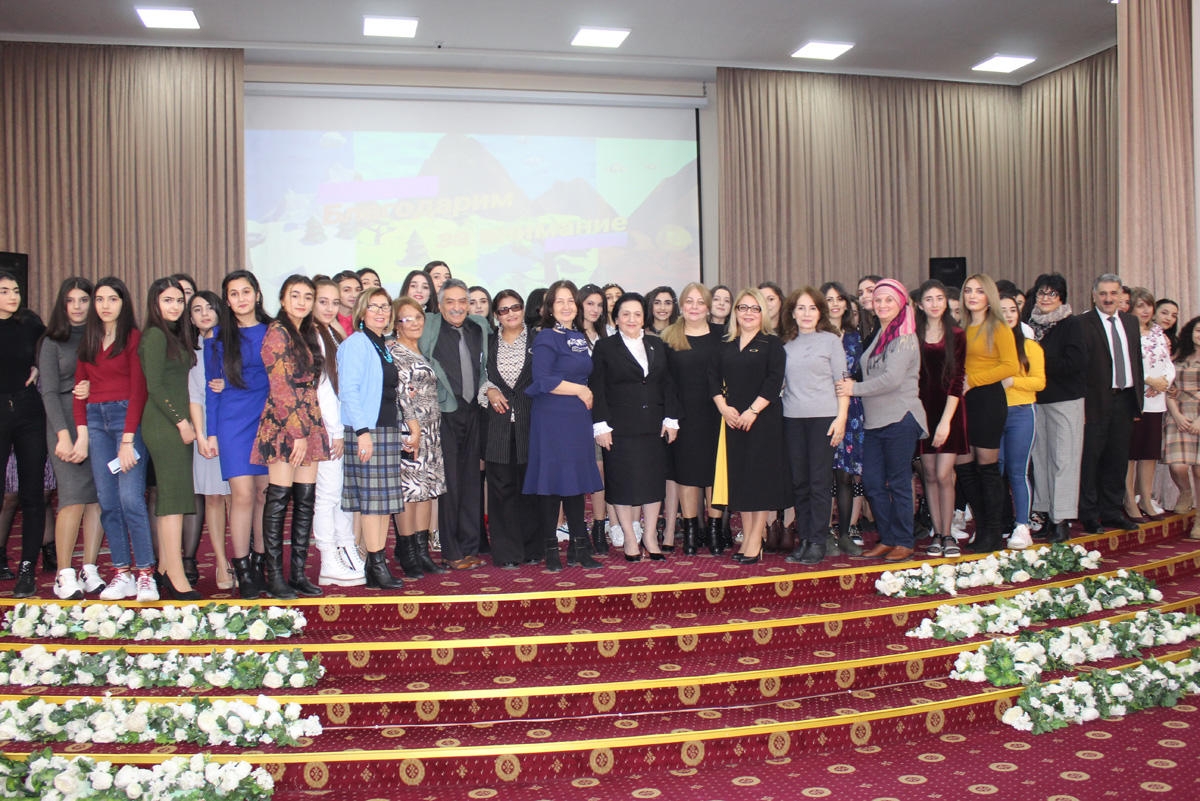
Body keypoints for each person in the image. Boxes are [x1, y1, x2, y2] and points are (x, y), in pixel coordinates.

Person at [74, 276, 157, 601]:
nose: (105, 305)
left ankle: (145, 573)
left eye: (113, 299)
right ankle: (122, 572)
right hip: (96, 422)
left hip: (127, 422)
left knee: (130, 499)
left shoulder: (133, 338)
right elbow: (79, 391)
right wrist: (82, 434)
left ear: (124, 303)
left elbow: (139, 391)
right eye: (100, 299)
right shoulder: (89, 338)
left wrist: (128, 440)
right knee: (107, 502)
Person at [836, 278, 927, 562]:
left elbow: (891, 379)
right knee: (873, 483)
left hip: (900, 418)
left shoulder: (904, 336)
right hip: (874, 422)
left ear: (901, 303)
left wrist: (854, 389)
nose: (883, 304)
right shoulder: (879, 333)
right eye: (878, 300)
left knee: (899, 482)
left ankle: (904, 541)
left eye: (889, 300)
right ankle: (888, 538)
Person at [251, 275, 330, 599]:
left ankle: (297, 574)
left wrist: (308, 430)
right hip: (285, 425)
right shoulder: (277, 332)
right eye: (294, 295)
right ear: (282, 300)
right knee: (279, 500)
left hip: (309, 422)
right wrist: (297, 434)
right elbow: (280, 387)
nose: (301, 301)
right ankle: (275, 577)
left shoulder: (307, 332)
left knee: (306, 500)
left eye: (307, 296)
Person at [524, 279, 603, 571]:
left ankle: (579, 549)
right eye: (560, 301)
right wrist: (580, 391)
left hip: (577, 418)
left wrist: (584, 393)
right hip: (553, 417)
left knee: (576, 483)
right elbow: (543, 380)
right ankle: (552, 550)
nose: (567, 306)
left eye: (571, 300)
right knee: (552, 483)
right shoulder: (545, 337)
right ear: (549, 308)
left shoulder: (580, 337)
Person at [592, 292, 678, 561]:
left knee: (653, 484)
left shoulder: (657, 345)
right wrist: (601, 425)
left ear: (644, 318)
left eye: (637, 314)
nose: (632, 319)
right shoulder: (605, 347)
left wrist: (671, 419)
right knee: (622, 484)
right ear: (616, 318)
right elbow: (598, 388)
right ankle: (630, 538)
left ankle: (650, 535)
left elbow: (668, 384)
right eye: (625, 314)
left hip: (654, 426)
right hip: (619, 428)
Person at [709, 288, 790, 564]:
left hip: (763, 420)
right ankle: (746, 535)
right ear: (735, 313)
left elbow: (774, 380)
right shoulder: (726, 344)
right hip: (732, 420)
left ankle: (756, 541)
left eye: (754, 308)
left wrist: (753, 411)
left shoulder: (772, 344)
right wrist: (723, 407)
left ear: (762, 314)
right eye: (743, 308)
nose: (748, 313)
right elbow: (711, 377)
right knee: (741, 483)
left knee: (760, 482)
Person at [205, 270, 271, 599]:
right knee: (242, 494)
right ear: (227, 300)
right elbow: (212, 388)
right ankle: (242, 567)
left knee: (263, 494)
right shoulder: (217, 338)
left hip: (269, 419)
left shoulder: (276, 331)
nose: (241, 298)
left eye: (246, 291)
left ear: (257, 295)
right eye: (234, 293)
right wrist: (212, 432)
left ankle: (261, 563)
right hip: (233, 420)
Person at [339, 287, 410, 589]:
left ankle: (375, 562)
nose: (381, 312)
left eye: (385, 307)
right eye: (374, 307)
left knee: (382, 504)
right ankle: (376, 566)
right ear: (362, 312)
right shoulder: (357, 343)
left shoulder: (382, 344)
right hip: (368, 431)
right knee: (371, 503)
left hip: (386, 430)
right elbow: (350, 391)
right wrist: (362, 432)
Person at [38, 278, 105, 600]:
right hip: (64, 426)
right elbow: (48, 392)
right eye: (71, 300)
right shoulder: (52, 341)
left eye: (84, 299)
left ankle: (88, 568)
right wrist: (63, 437)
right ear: (62, 305)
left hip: (100, 424)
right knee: (73, 498)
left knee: (98, 499)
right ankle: (64, 572)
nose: (78, 306)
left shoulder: (100, 337)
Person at [418, 279, 491, 570]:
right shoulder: (430, 327)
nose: (458, 307)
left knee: (472, 481)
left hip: (474, 411)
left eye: (463, 301)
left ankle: (470, 546)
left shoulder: (478, 328)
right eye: (450, 301)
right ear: (439, 304)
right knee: (450, 483)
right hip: (445, 412)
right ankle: (452, 550)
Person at [139, 277, 201, 599]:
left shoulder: (175, 335)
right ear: (155, 303)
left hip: (177, 423)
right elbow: (155, 387)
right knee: (174, 499)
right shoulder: (154, 335)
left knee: (172, 498)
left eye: (179, 300)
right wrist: (181, 423)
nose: (175, 306)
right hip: (165, 425)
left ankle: (166, 567)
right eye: (168, 300)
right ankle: (175, 574)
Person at [779, 288, 848, 565]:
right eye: (800, 308)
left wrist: (841, 418)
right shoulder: (785, 345)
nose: (806, 314)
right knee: (800, 483)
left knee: (819, 482)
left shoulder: (831, 341)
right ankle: (805, 539)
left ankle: (819, 540)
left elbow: (842, 382)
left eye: (812, 308)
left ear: (820, 312)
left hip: (824, 419)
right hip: (792, 419)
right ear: (792, 313)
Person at [956, 274, 1018, 553]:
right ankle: (981, 526)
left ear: (988, 295)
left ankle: (994, 531)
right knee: (965, 468)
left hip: (988, 400)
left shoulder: (998, 327)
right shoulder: (961, 326)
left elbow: (1010, 366)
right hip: (963, 401)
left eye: (979, 291)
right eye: (968, 290)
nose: (972, 295)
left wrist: (974, 381)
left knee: (988, 469)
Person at [662, 282, 725, 555]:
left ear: (708, 307)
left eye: (700, 302)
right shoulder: (669, 337)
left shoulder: (723, 336)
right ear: (682, 305)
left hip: (717, 414)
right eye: (690, 301)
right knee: (687, 476)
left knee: (714, 475)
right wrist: (670, 418)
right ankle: (689, 533)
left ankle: (713, 532)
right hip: (683, 418)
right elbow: (666, 383)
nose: (695, 307)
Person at [1078, 273, 1145, 533]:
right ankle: (1090, 515)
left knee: (1118, 460)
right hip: (1094, 403)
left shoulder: (1130, 322)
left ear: (1121, 296)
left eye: (1113, 293)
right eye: (1103, 294)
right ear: (1094, 295)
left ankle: (1112, 511)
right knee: (1091, 460)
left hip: (1125, 400)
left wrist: (1137, 401)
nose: (1108, 298)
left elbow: (1135, 362)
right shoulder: (1082, 324)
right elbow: (1081, 369)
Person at [309, 278, 364, 586]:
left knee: (340, 495)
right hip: (327, 430)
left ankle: (346, 549)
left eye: (333, 302)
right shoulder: (313, 336)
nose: (329, 308)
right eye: (322, 302)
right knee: (327, 495)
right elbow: (323, 390)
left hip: (338, 427)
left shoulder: (331, 332)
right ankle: (328, 558)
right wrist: (336, 432)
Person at [480, 289, 539, 568]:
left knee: (530, 489)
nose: (510, 313)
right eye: (503, 310)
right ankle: (505, 552)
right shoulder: (488, 342)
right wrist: (488, 389)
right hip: (498, 425)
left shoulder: (539, 340)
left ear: (523, 308)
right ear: (496, 316)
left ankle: (531, 548)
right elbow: (479, 377)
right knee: (501, 489)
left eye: (515, 307)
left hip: (533, 424)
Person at [389, 296, 447, 579]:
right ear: (396, 324)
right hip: (409, 431)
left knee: (427, 492)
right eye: (406, 318)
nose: (414, 323)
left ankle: (422, 551)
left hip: (431, 430)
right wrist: (412, 430)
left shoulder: (421, 351)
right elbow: (402, 393)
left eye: (418, 317)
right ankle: (408, 552)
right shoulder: (394, 351)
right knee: (409, 492)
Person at [914, 279, 967, 558]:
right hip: (922, 411)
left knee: (945, 474)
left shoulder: (957, 334)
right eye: (929, 299)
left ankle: (948, 534)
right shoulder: (913, 333)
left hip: (949, 411)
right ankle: (937, 532)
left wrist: (946, 421)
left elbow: (957, 380)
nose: (935, 304)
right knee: (930, 475)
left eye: (939, 298)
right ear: (920, 305)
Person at [187, 290, 233, 590]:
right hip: (206, 431)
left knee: (239, 498)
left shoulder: (233, 345)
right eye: (197, 310)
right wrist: (201, 436)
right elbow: (194, 397)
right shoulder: (192, 350)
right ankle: (220, 561)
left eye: (209, 308)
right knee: (214, 498)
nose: (204, 314)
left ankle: (244, 557)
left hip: (235, 428)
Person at [997, 291, 1045, 549]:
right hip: (993, 414)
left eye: (1012, 310)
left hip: (1021, 412)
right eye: (1002, 310)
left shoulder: (1031, 347)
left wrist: (1013, 380)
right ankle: (995, 524)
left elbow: (1040, 382)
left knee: (1017, 470)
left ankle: (1022, 525)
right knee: (996, 470)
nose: (1007, 315)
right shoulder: (987, 347)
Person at [821, 282, 866, 555]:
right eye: (829, 299)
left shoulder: (855, 336)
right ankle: (824, 532)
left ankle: (847, 532)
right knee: (824, 476)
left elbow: (861, 374)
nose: (835, 304)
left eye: (839, 299)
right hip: (822, 410)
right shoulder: (815, 336)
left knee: (846, 477)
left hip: (852, 412)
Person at [1123, 288, 1174, 521]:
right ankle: (1128, 499)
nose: (1145, 310)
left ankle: (1146, 497)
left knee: (1149, 453)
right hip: (1134, 399)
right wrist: (1147, 380)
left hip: (1156, 400)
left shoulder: (1158, 333)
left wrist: (1164, 381)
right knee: (1131, 453)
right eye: (1140, 305)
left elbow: (1167, 363)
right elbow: (1126, 364)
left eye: (1148, 305)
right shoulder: (1126, 331)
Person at [577, 283, 610, 552]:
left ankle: (600, 526)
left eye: (600, 305)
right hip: (572, 412)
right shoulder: (568, 336)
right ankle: (577, 529)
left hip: (601, 413)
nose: (595, 309)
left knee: (600, 472)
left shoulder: (608, 337)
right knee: (576, 472)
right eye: (590, 304)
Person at [1164, 316, 1200, 536]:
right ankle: (1185, 492)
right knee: (1177, 465)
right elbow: (1169, 388)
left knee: (1199, 470)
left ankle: (1199, 520)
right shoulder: (1179, 357)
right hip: (1179, 412)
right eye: (1197, 331)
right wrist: (1175, 413)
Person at [333, 270, 362, 338]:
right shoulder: (328, 318)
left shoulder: (364, 318)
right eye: (347, 290)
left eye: (358, 290)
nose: (354, 295)